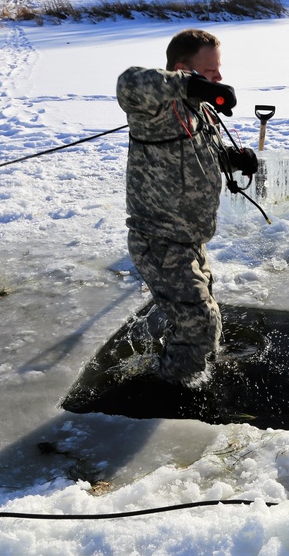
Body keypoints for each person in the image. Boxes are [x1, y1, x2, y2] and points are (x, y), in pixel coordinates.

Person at [115, 29, 258, 385]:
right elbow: (128, 83)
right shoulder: (155, 109)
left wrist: (233, 158)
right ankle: (170, 393)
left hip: (190, 239)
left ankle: (199, 376)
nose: (219, 79)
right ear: (181, 69)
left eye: (218, 70)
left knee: (205, 319)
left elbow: (194, 157)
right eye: (210, 72)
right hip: (160, 240)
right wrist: (192, 85)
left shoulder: (199, 111)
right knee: (199, 325)